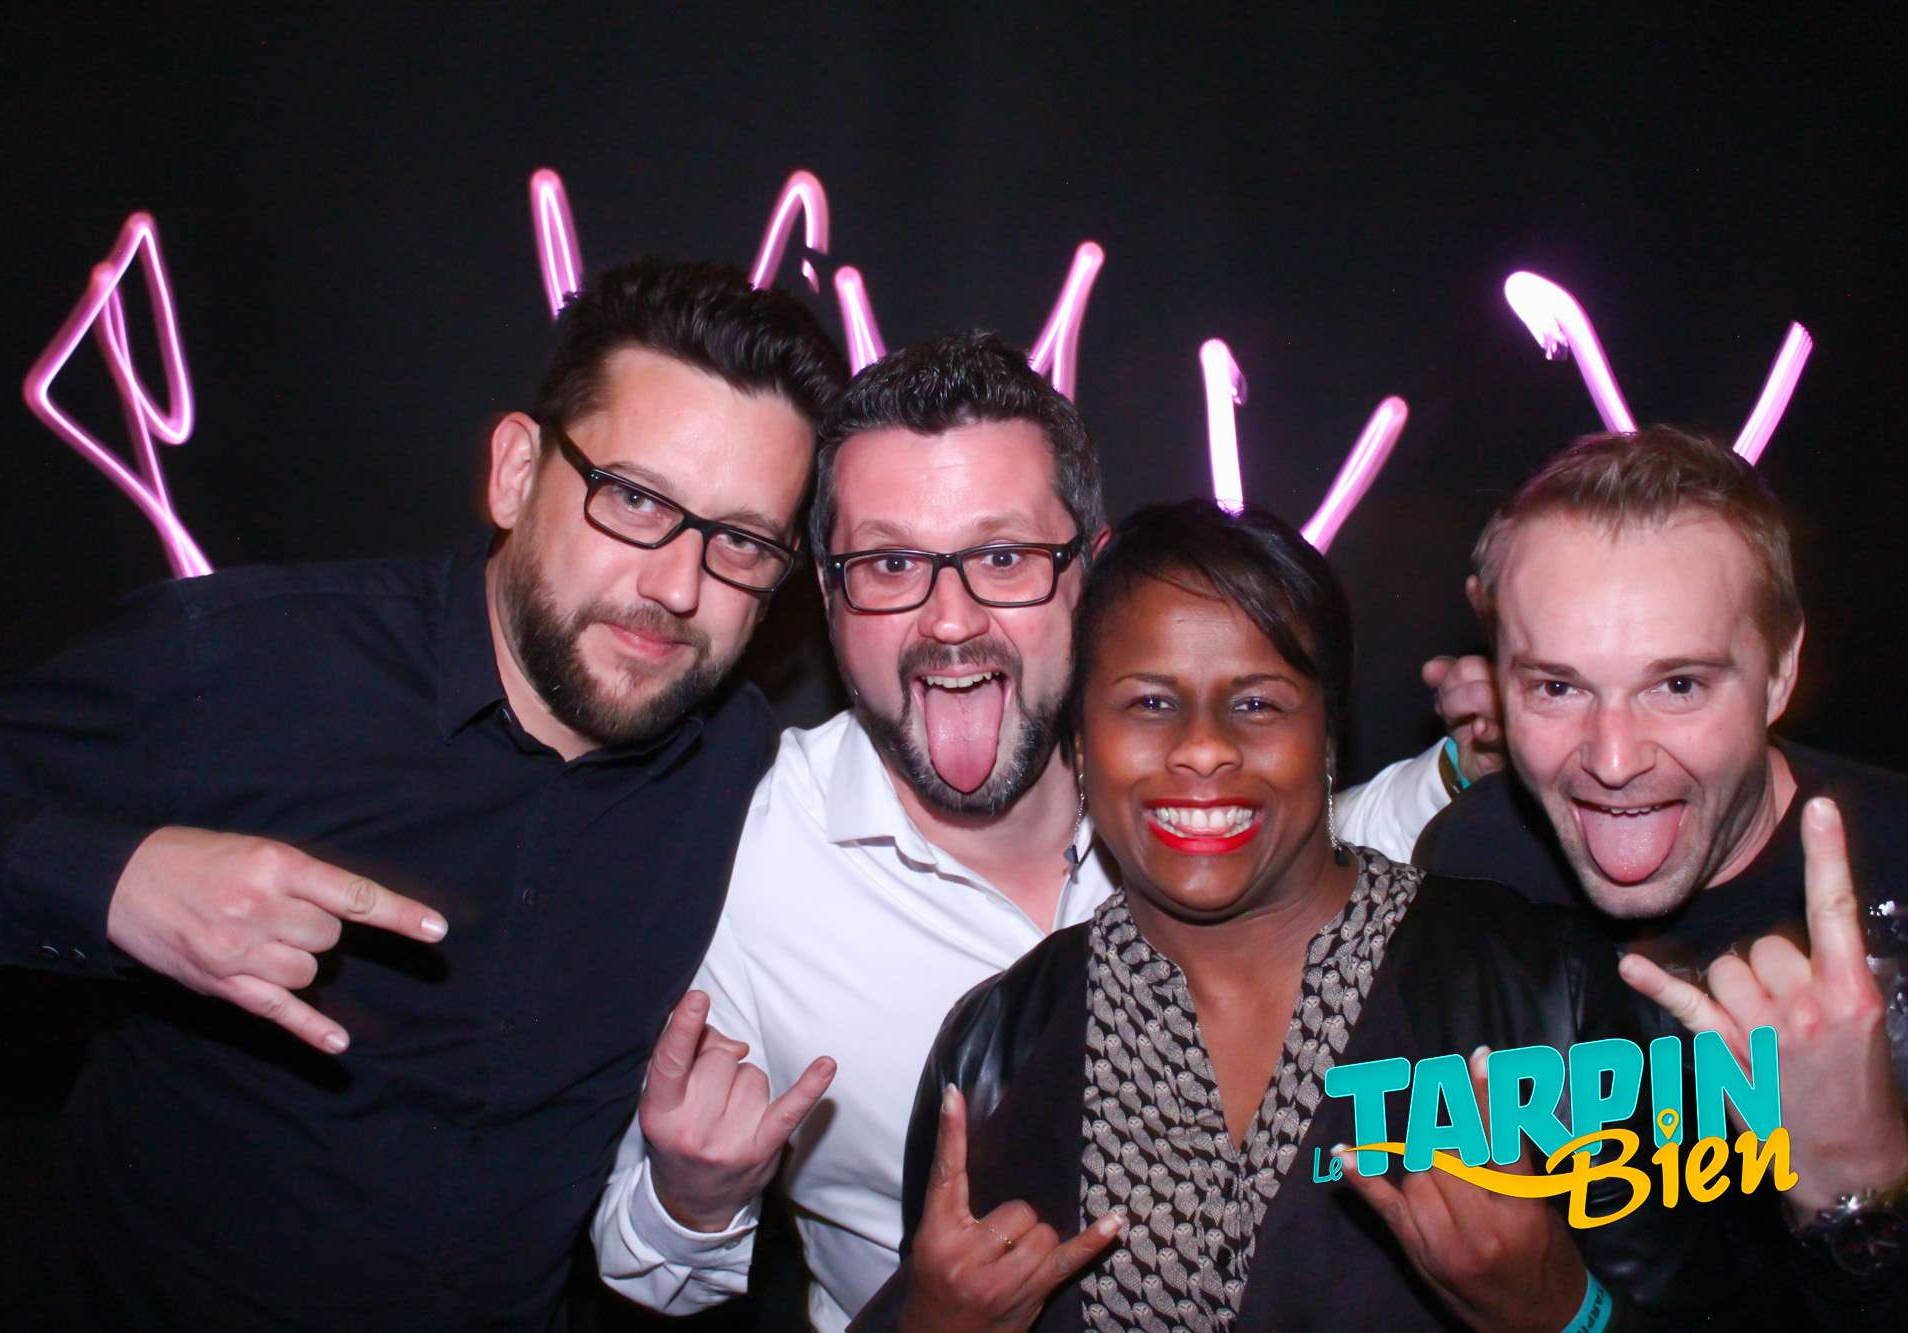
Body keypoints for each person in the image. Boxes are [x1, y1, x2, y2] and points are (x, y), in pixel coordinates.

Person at [0, 258, 847, 1328]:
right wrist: (116, 884)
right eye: (634, 499)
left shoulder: (745, 776)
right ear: (515, 471)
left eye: (740, 542)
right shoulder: (249, 662)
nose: (675, 585)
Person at [594, 333, 1496, 1329]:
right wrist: (695, 1195)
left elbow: (1336, 848)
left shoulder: (1183, 785)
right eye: (889, 563)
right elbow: (641, 1266)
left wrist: (1467, 768)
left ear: (1090, 575)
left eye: (1002, 557)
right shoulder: (746, 856)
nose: (949, 621)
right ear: (827, 593)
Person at [854, 498, 1701, 1331]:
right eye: (1150, 703)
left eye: (1257, 703)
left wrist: (1563, 1313)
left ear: (1329, 739)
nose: (1203, 747)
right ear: (1078, 743)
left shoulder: (1547, 989)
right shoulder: (995, 1048)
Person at [1415, 427, 1908, 1320]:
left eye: (1678, 684)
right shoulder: (1472, 864)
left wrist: (1860, 1188)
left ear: (1779, 672)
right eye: (1557, 686)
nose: (1613, 759)